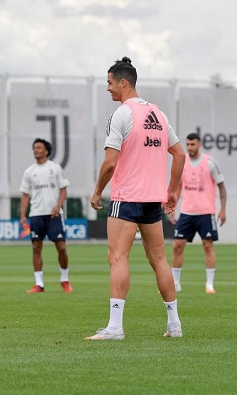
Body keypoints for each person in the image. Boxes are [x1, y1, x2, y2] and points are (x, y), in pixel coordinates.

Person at [86, 57, 186, 340]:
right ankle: (174, 325)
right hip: (153, 200)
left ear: (123, 82)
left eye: (109, 83)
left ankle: (115, 328)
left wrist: (96, 191)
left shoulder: (121, 114)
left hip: (127, 197)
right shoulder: (159, 113)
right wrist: (172, 190)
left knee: (118, 258)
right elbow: (179, 154)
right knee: (159, 260)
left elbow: (109, 163)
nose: (107, 88)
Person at [170, 132, 227, 294]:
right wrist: (173, 207)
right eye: (187, 144)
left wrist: (223, 209)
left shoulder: (209, 162)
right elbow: (178, 186)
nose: (189, 147)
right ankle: (175, 283)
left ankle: (209, 285)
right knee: (177, 246)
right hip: (186, 212)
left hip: (205, 212)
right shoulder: (183, 162)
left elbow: (222, 186)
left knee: (208, 246)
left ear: (199, 144)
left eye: (192, 144)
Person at [19, 138, 72, 293]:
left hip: (54, 215)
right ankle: (39, 284)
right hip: (36, 214)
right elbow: (25, 195)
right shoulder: (29, 172)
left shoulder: (55, 168)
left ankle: (65, 280)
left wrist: (58, 205)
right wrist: (23, 215)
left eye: (39, 147)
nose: (36, 150)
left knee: (61, 247)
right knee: (36, 248)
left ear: (46, 151)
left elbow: (63, 190)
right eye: (34, 147)